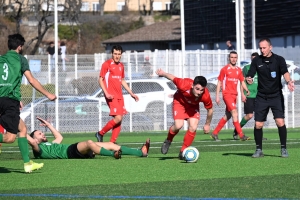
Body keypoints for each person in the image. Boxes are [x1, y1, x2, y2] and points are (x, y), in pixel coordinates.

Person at [0, 34, 57, 173]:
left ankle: (27, 163)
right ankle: (27, 164)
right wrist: (48, 94)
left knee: (23, 129)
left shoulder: (1, 59)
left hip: (2, 99)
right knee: (10, 138)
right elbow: (31, 80)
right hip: (9, 102)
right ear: (20, 46)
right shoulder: (21, 59)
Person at [246, 38, 295, 158]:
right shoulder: (257, 60)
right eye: (260, 48)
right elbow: (250, 73)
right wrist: (249, 78)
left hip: (276, 96)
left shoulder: (279, 59)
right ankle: (258, 150)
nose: (262, 50)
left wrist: (289, 81)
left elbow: (285, 72)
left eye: (264, 48)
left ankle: (283, 148)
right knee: (258, 125)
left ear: (270, 47)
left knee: (280, 122)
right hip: (262, 97)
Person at [156, 68, 213, 160]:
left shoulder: (205, 95)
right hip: (180, 103)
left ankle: (183, 151)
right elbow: (172, 77)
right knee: (178, 125)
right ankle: (168, 140)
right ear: (192, 85)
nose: (199, 92)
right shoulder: (183, 84)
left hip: (192, 107)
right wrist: (163, 73)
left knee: (193, 127)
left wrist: (207, 124)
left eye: (201, 90)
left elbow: (210, 110)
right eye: (197, 89)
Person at [29, 117, 150, 159]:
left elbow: (59, 137)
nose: (42, 134)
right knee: (89, 142)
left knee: (111, 145)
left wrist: (49, 125)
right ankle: (113, 155)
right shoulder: (38, 149)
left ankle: (141, 152)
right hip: (70, 152)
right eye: (39, 134)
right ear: (34, 140)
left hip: (75, 149)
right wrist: (20, 128)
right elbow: (29, 141)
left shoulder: (51, 144)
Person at [95, 45, 139, 143]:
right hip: (111, 95)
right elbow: (100, 79)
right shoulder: (106, 64)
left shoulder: (121, 66)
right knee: (118, 118)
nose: (117, 56)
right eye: (115, 54)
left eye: (119, 54)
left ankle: (112, 143)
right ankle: (100, 133)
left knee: (119, 119)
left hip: (120, 96)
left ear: (121, 55)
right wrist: (106, 93)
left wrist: (131, 93)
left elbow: (122, 80)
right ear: (112, 54)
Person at [211, 51, 250, 141]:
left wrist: (246, 89)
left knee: (228, 115)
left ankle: (215, 133)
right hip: (227, 94)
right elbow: (219, 82)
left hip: (234, 95)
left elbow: (242, 81)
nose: (233, 59)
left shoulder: (238, 70)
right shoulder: (224, 69)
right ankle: (241, 135)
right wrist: (217, 96)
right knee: (234, 113)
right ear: (229, 58)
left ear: (237, 58)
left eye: (235, 57)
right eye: (232, 57)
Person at [233, 52, 268, 140]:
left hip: (260, 95)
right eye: (253, 59)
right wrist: (242, 94)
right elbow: (242, 82)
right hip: (249, 95)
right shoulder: (247, 68)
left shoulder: (262, 67)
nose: (254, 60)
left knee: (259, 116)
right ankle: (237, 130)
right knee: (249, 115)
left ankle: (259, 135)